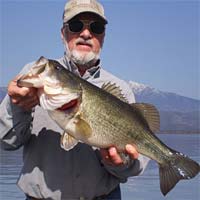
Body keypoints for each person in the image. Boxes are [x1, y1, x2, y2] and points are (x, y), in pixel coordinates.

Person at [0, 0, 149, 199]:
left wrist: (120, 165)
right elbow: (6, 142)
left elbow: (137, 165)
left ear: (103, 37)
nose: (86, 34)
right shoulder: (34, 78)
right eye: (76, 26)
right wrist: (18, 107)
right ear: (63, 34)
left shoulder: (120, 89)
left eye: (95, 28)